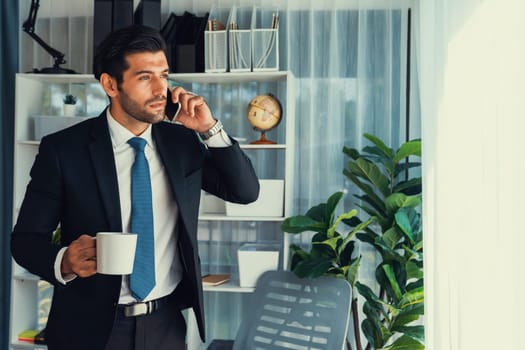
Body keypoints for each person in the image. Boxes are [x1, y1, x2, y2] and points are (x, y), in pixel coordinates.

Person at [11, 24, 259, 350]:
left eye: (164, 75)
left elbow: (244, 192)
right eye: (145, 77)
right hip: (87, 329)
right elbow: (26, 241)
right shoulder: (63, 150)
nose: (160, 89)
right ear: (110, 85)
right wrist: (64, 261)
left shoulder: (183, 143)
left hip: (166, 324)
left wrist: (210, 129)